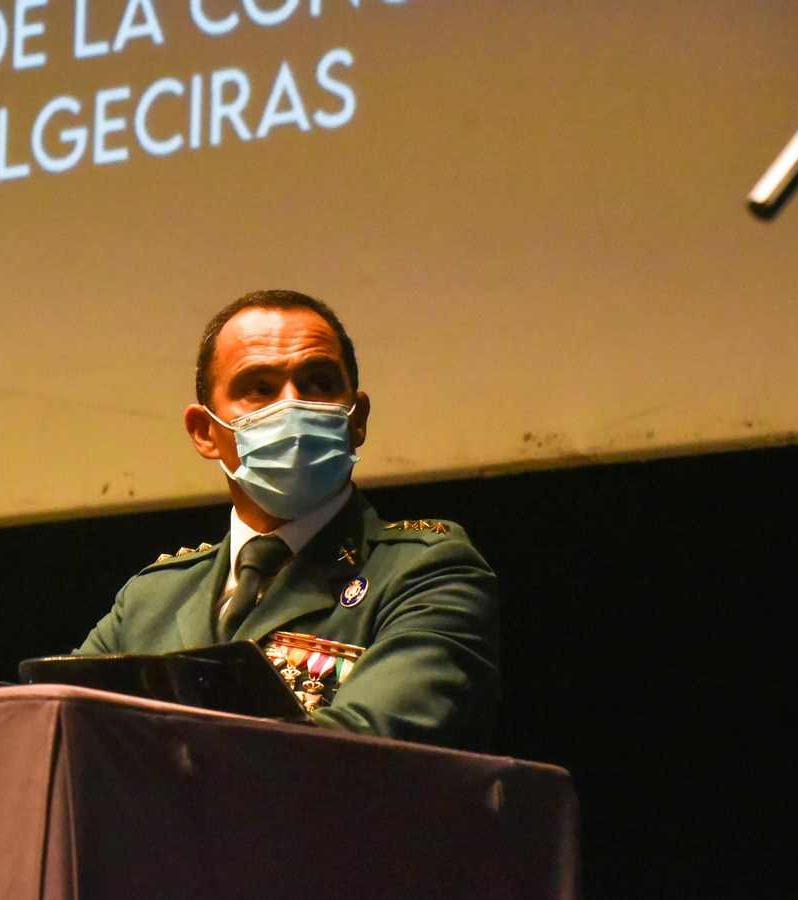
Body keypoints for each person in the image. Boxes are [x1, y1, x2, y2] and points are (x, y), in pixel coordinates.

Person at [76, 291, 499, 750]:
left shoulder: (425, 571)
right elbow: (55, 729)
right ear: (205, 431)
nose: (293, 406)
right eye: (259, 387)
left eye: (318, 383)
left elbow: (367, 748)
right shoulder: (152, 599)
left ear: (356, 420)